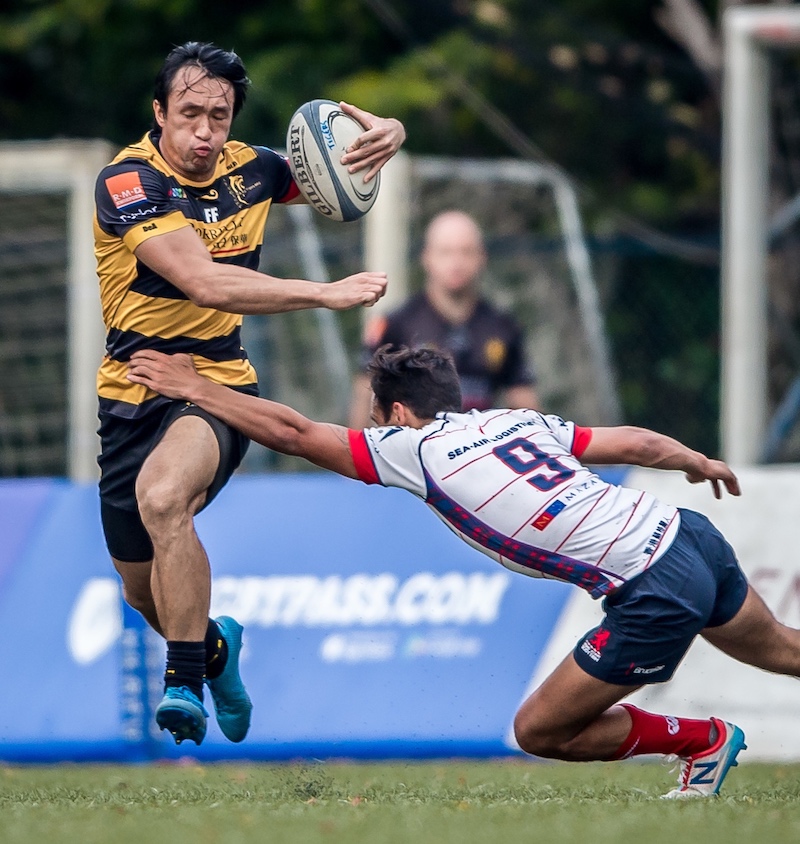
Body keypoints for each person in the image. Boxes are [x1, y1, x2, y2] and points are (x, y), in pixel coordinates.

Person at [128, 344, 800, 797]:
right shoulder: (516, 420)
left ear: (395, 413)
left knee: (540, 730)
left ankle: (703, 742)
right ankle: (709, 741)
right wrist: (695, 459)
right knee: (781, 650)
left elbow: (297, 434)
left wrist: (195, 388)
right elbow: (636, 442)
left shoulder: (414, 448)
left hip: (651, 586)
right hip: (688, 533)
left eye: (375, 416)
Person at [94, 41, 405, 746]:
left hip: (217, 387)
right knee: (144, 591)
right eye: (190, 114)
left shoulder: (255, 170)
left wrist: (390, 135)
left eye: (220, 116)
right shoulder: (126, 183)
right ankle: (214, 650)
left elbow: (335, 168)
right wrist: (322, 294)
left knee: (164, 496)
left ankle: (182, 685)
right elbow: (202, 280)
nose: (205, 132)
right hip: (131, 393)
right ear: (159, 113)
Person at [349, 210, 540, 427]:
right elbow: (365, 397)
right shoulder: (396, 324)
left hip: (478, 452)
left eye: (466, 252)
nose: (456, 262)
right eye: (445, 252)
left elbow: (525, 406)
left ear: (482, 257)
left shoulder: (503, 326)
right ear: (427, 257)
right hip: (415, 452)